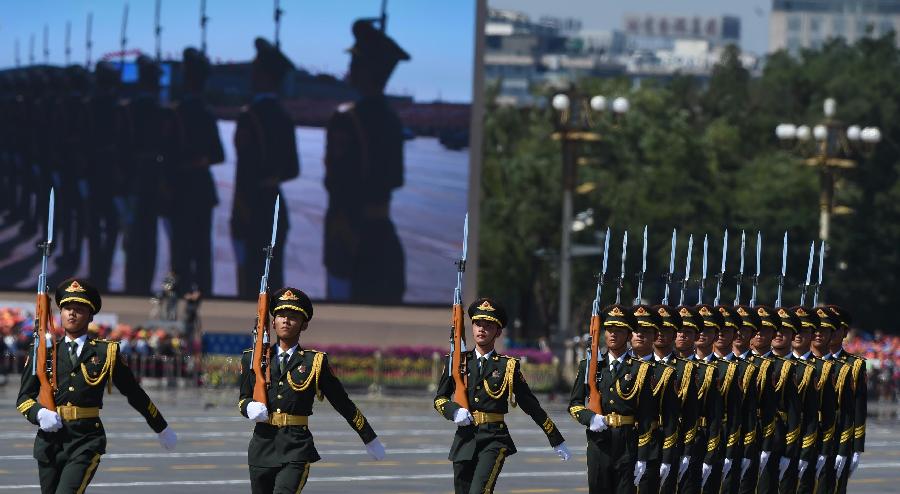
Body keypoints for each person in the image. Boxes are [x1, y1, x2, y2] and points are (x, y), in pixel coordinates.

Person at [16, 278, 177, 493]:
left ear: (90, 316)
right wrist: (38, 414)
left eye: (79, 309)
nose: (71, 313)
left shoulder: (105, 353)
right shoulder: (44, 352)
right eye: (67, 308)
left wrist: (161, 427)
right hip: (50, 442)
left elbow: (133, 392)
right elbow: (24, 398)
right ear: (60, 313)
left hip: (85, 441)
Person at [238, 287, 385, 493]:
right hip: (262, 448)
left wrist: (369, 437)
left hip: (296, 448)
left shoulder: (315, 362)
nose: (286, 321)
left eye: (293, 317)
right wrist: (249, 408)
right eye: (280, 315)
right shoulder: (253, 359)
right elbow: (242, 400)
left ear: (304, 325)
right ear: (272, 322)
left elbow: (342, 403)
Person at [435, 297, 569, 493]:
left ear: (498, 332)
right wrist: (454, 412)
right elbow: (440, 398)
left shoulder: (507, 366)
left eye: (488, 325)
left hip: (494, 439)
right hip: (464, 440)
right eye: (478, 324)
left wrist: (555, 437)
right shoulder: (456, 362)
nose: (481, 329)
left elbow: (530, 405)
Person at [324, 19, 409, 303]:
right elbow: (395, 179)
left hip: (349, 237)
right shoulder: (392, 120)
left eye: (355, 62)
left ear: (365, 70)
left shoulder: (346, 119)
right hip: (383, 238)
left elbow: (336, 182)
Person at [231, 38, 299, 299]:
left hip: (252, 207)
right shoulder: (284, 116)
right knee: (274, 278)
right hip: (275, 206)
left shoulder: (250, 116)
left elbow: (244, 173)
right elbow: (293, 168)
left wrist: (239, 215)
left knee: (250, 282)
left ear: (264, 76)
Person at [568, 304, 657, 493]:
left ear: (628, 334)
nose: (613, 335)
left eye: (619, 330)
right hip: (599, 444)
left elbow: (647, 417)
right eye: (609, 330)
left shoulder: (640, 368)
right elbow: (574, 404)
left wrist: (642, 456)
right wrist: (589, 418)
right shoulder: (590, 366)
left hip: (627, 443)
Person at [119, 55, 178, 294]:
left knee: (132, 237)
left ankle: (132, 283)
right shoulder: (163, 112)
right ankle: (144, 284)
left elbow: (119, 149)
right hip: (155, 180)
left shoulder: (127, 110)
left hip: (132, 180)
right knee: (149, 236)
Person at [170, 47, 225, 299]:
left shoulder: (177, 112)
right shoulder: (206, 113)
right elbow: (218, 155)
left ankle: (181, 296)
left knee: (180, 249)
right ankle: (205, 296)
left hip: (180, 188)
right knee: (203, 250)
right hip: (202, 188)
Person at [628, 305, 678, 493]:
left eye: (646, 331)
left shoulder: (664, 372)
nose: (640, 335)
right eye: (636, 331)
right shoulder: (616, 369)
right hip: (620, 446)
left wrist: (666, 457)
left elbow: (670, 419)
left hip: (651, 447)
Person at [652, 304, 699, 493]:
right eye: (658, 330)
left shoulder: (685, 369)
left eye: (667, 330)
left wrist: (686, 452)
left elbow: (690, 414)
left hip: (671, 440)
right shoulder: (636, 366)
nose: (661, 334)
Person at [86, 61, 124, 291]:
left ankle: (95, 268)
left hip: (94, 170)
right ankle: (104, 269)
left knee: (94, 224)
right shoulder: (116, 106)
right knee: (110, 225)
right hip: (110, 172)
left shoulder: (90, 104)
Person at [825, 305, 865, 494]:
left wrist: (856, 447)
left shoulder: (854, 365)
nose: (830, 333)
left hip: (841, 435)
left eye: (835, 329)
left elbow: (858, 409)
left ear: (844, 332)